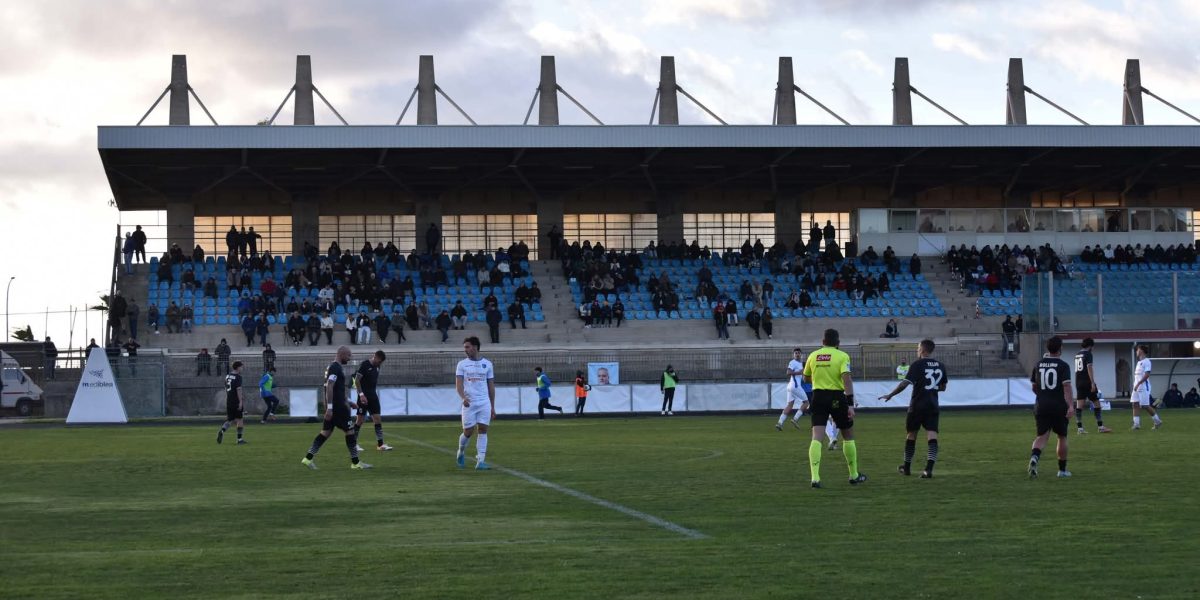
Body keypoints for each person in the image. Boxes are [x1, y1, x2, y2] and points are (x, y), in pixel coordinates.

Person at [803, 328, 867, 488]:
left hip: (818, 397)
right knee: (847, 434)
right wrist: (850, 404)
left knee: (816, 436)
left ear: (822, 342)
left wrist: (819, 380)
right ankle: (853, 475)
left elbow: (806, 377)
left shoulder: (813, 355)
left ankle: (815, 478)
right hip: (836, 397)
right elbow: (847, 380)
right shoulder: (842, 356)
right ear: (838, 343)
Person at [880, 339, 947, 478]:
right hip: (933, 405)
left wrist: (891, 394)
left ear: (922, 350)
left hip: (917, 405)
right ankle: (928, 470)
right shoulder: (941, 365)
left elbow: (905, 383)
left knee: (911, 434)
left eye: (918, 348)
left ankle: (907, 467)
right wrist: (930, 389)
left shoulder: (917, 364)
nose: (917, 350)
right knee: (932, 434)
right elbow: (943, 387)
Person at [301, 346, 371, 470]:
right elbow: (329, 386)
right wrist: (330, 407)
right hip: (338, 408)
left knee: (325, 433)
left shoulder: (332, 367)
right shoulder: (335, 367)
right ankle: (355, 463)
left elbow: (337, 389)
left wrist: (349, 401)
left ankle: (308, 458)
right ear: (342, 354)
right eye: (348, 356)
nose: (349, 359)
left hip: (336, 406)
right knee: (350, 432)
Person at [1028, 336, 1074, 479]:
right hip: (1058, 405)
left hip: (1041, 405)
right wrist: (1071, 406)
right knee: (1062, 436)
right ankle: (1062, 470)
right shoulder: (1063, 366)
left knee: (1041, 436)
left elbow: (1034, 387)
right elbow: (1066, 387)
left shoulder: (1038, 364)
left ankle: (1035, 457)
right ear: (1060, 348)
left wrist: (1042, 395)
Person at [455, 336, 495, 470]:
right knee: (468, 432)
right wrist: (463, 398)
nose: (465, 350)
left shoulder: (488, 364)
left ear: (475, 347)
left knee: (483, 430)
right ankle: (461, 451)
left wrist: (492, 406)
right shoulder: (462, 364)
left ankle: (480, 461)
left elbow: (491, 386)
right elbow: (459, 385)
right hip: (469, 403)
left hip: (484, 402)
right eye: (465, 347)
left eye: (467, 347)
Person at [353, 350, 394, 452]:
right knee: (360, 420)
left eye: (380, 362)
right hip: (363, 397)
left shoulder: (377, 366)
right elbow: (357, 380)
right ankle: (353, 444)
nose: (379, 363)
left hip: (373, 396)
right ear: (375, 356)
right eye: (378, 361)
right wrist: (361, 395)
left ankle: (380, 445)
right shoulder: (365, 365)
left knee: (377, 419)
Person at [1073, 338, 1112, 434]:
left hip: (1078, 382)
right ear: (1090, 346)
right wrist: (1092, 382)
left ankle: (1080, 429)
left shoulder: (1077, 354)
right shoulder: (1088, 354)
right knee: (1096, 403)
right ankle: (1100, 427)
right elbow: (1089, 367)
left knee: (1079, 406)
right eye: (1093, 346)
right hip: (1087, 382)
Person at [1131, 344, 1163, 430]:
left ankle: (1157, 421)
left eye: (1137, 350)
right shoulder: (1138, 363)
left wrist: (1138, 384)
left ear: (1141, 351)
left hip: (1143, 387)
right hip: (1136, 387)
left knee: (1145, 406)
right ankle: (1136, 424)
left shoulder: (1147, 361)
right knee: (1135, 404)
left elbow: (1147, 375)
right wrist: (1135, 385)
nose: (1136, 352)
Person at [217, 361, 247, 445]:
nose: (242, 368)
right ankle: (239, 439)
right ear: (237, 367)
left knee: (230, 419)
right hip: (236, 400)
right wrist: (240, 401)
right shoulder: (238, 377)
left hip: (229, 400)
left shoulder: (227, 376)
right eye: (241, 367)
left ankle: (222, 431)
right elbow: (238, 389)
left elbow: (226, 387)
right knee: (240, 419)